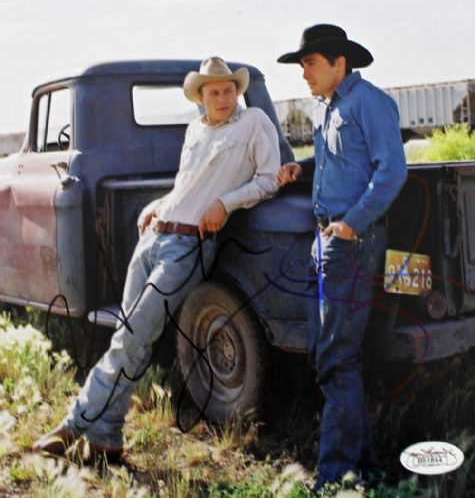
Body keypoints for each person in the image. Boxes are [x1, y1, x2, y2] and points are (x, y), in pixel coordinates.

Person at [34, 56, 280, 458]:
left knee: (133, 338)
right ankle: (106, 438)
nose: (224, 97)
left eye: (229, 89)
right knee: (128, 338)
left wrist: (226, 203)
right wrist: (159, 204)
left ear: (238, 91)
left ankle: (73, 425)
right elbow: (187, 184)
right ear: (200, 97)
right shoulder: (196, 130)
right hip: (155, 237)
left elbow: (268, 180)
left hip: (189, 248)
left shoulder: (254, 123)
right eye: (214, 91)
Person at [276, 24, 407, 491]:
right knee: (327, 354)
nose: (304, 74)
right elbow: (338, 162)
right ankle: (366, 464)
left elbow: (392, 170)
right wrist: (300, 169)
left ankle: (334, 477)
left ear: (338, 63)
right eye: (303, 65)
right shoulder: (326, 107)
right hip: (325, 241)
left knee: (335, 358)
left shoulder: (368, 102)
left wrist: (352, 222)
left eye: (310, 63)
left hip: (351, 242)